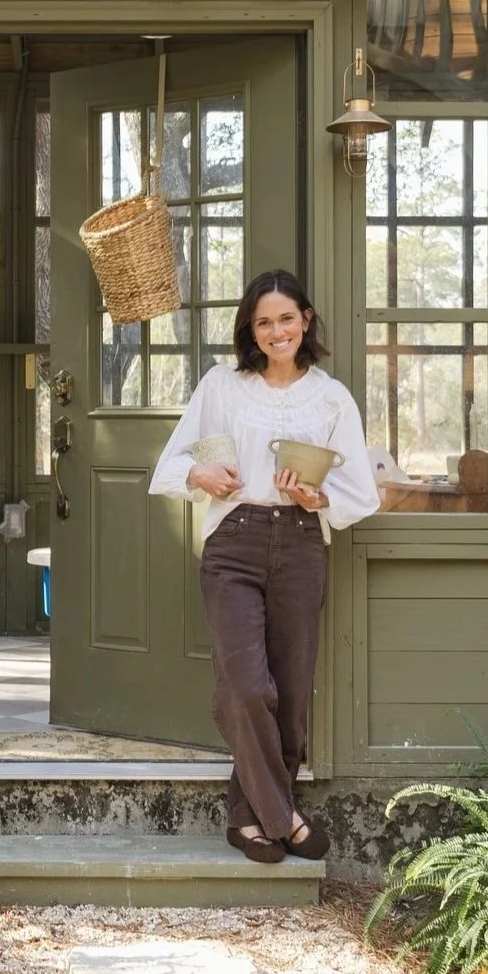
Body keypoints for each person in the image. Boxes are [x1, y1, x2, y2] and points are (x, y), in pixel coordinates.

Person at [149, 270, 378, 863]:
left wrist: (316, 498)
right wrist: (200, 474)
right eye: (264, 322)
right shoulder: (223, 386)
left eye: (286, 318)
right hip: (236, 540)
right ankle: (287, 818)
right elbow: (170, 465)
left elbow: (360, 491)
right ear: (251, 329)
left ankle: (247, 818)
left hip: (302, 543)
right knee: (246, 688)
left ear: (306, 320)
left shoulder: (330, 397)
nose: (277, 331)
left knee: (292, 693)